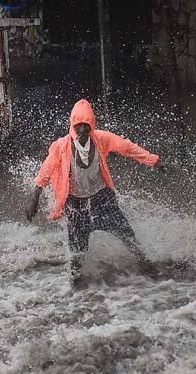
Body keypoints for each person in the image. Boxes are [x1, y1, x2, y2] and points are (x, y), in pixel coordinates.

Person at [24, 99, 165, 287]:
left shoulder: (102, 139)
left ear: (92, 125)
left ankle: (148, 268)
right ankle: (74, 290)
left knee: (127, 235)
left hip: (101, 198)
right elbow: (45, 172)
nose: (82, 130)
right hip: (75, 204)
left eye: (86, 126)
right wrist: (34, 200)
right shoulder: (62, 146)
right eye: (78, 126)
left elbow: (128, 148)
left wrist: (154, 161)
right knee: (77, 253)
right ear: (72, 125)